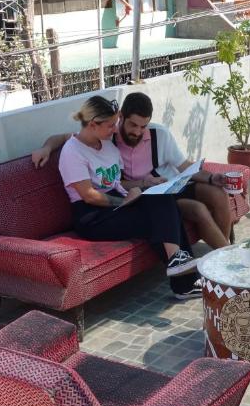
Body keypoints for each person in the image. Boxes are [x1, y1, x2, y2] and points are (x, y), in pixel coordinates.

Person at [31, 93, 234, 250]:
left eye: (143, 126)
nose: (137, 131)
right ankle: (217, 260)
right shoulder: (106, 136)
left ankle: (226, 253)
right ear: (121, 118)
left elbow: (183, 166)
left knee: (217, 193)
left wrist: (211, 177)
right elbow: (68, 139)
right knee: (194, 209)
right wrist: (46, 148)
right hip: (142, 194)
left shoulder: (158, 134)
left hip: (167, 185)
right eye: (133, 125)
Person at [53, 95, 200, 297]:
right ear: (94, 124)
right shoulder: (73, 152)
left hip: (115, 205)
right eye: (111, 125)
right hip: (93, 216)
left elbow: (116, 182)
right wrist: (123, 201)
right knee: (159, 217)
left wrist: (141, 185)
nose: (115, 130)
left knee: (162, 197)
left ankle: (178, 262)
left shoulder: (105, 144)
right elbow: (89, 196)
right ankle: (184, 281)